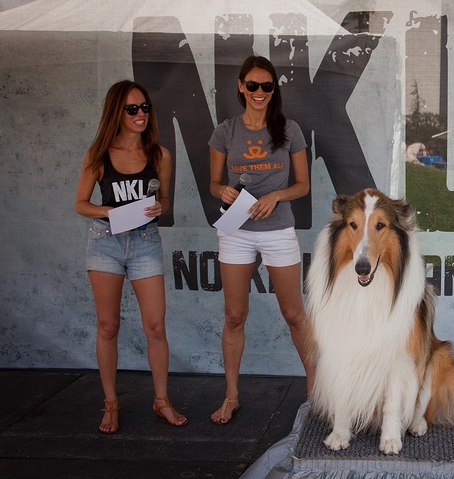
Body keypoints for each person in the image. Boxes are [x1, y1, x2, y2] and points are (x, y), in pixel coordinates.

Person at [74, 80, 188, 434]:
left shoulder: (160, 155)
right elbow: (80, 204)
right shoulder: (99, 154)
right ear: (116, 114)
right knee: (108, 327)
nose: (141, 114)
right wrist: (107, 211)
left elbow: (165, 202)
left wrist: (158, 207)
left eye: (145, 108)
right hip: (106, 242)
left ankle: (161, 401)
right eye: (132, 109)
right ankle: (110, 403)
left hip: (144, 241)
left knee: (156, 326)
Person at [209, 55, 315, 424]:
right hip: (236, 231)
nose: (259, 92)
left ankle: (316, 394)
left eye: (266, 86)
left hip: (278, 230)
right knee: (235, 315)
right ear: (240, 86)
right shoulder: (225, 131)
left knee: (295, 315)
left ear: (274, 90)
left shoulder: (290, 129)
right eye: (252, 85)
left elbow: (302, 185)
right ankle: (231, 396)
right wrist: (222, 190)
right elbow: (213, 183)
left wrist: (276, 196)